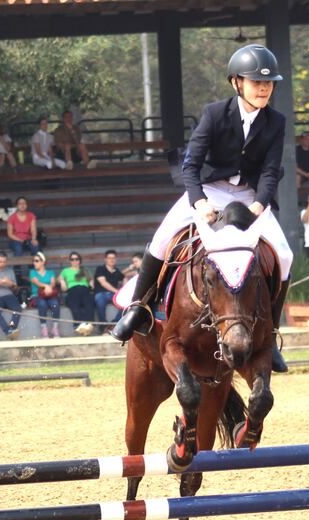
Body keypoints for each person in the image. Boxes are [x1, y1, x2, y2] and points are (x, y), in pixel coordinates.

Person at [111, 44, 294, 373]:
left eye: (268, 83)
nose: (264, 87)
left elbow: (270, 172)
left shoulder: (276, 122)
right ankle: (137, 308)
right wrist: (199, 202)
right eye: (256, 82)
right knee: (161, 240)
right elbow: (190, 166)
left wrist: (257, 206)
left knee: (284, 255)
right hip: (206, 189)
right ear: (236, 83)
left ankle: (272, 333)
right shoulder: (214, 114)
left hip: (250, 196)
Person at [59, 252, 95, 336]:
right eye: (72, 259)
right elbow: (60, 280)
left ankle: (87, 326)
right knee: (74, 305)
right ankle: (79, 326)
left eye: (76, 259)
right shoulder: (65, 271)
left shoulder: (85, 270)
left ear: (80, 260)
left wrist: (92, 283)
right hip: (72, 290)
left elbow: (91, 283)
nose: (74, 261)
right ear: (70, 261)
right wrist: (62, 281)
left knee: (89, 304)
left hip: (85, 289)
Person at [29, 251, 61, 338]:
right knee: (42, 304)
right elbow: (36, 282)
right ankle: (44, 329)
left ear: (43, 262)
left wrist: (49, 288)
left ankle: (55, 328)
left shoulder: (50, 272)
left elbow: (53, 283)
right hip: (37, 295)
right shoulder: (32, 272)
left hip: (50, 294)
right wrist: (46, 286)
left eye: (36, 261)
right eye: (33, 261)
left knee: (55, 304)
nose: (34, 263)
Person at [94, 249, 124, 335]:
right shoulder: (100, 269)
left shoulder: (116, 271)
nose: (112, 260)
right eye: (109, 258)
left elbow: (123, 277)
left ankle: (113, 324)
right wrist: (117, 291)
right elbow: (103, 283)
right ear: (105, 259)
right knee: (99, 299)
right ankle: (103, 326)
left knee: (124, 303)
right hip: (102, 293)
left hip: (113, 295)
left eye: (113, 258)